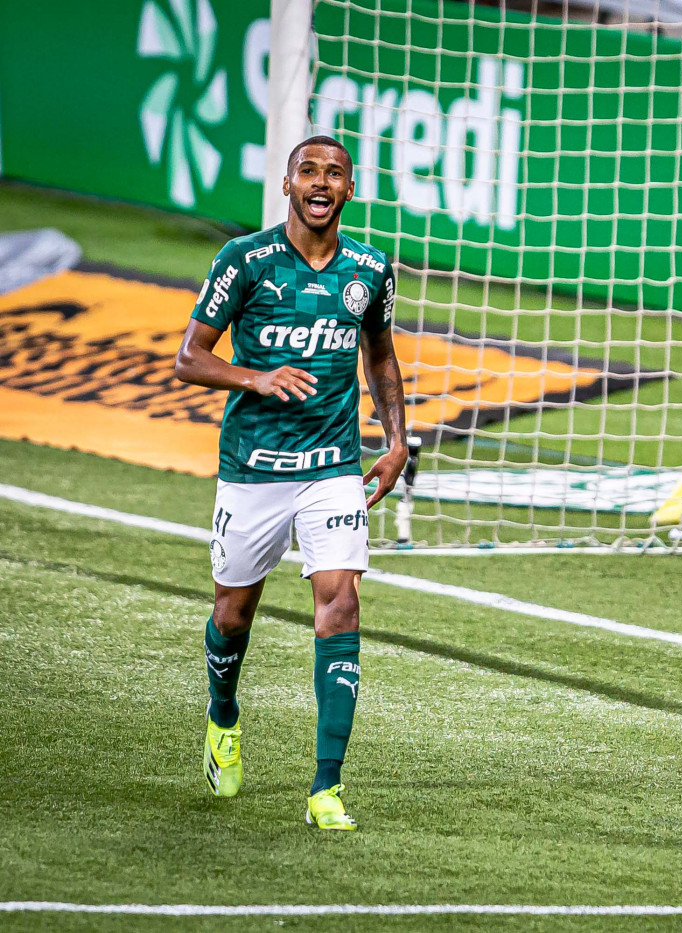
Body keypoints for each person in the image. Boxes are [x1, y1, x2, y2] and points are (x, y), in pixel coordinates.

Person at [174, 135, 408, 831]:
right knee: (232, 614)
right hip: (252, 468)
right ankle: (223, 717)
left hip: (332, 469)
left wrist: (398, 442)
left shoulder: (369, 268)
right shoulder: (243, 261)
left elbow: (382, 359)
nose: (321, 182)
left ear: (349, 189)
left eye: (335, 173)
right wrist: (257, 376)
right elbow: (190, 356)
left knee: (341, 603)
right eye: (309, 170)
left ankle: (326, 788)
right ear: (287, 183)